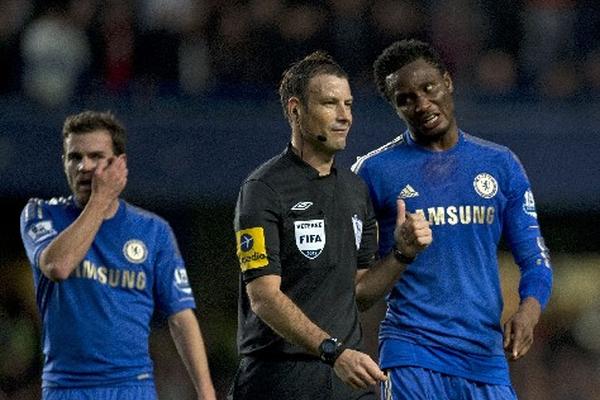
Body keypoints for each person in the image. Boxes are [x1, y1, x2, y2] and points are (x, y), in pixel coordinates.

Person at [352, 39, 554, 399]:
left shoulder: (500, 164)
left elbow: (535, 260)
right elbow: (360, 290)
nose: (422, 104)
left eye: (428, 88)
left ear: (448, 81)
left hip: (485, 358)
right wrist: (400, 252)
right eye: (406, 99)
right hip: (411, 354)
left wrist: (529, 311)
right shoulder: (373, 173)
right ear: (395, 108)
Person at [229, 51, 432, 400]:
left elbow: (359, 292)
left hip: (345, 379)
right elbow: (263, 297)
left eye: (348, 104)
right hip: (280, 378)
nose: (344, 116)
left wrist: (401, 254)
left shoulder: (355, 190)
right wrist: (332, 351)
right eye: (329, 104)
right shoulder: (263, 189)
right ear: (296, 110)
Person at [19, 111, 216, 400]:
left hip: (132, 386)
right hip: (67, 387)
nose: (84, 166)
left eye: (96, 157)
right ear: (64, 163)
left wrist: (206, 390)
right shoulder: (41, 214)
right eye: (74, 157)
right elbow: (57, 266)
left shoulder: (153, 231)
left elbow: (180, 316)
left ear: (119, 164)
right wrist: (100, 199)